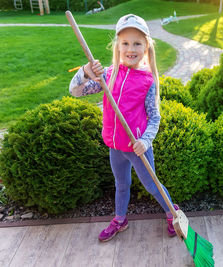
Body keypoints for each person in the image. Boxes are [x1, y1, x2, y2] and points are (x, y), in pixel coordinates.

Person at [69, 14, 179, 242]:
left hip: (136, 147)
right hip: (114, 146)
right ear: (118, 46)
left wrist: (146, 141)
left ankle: (172, 212)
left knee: (151, 184)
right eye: (126, 43)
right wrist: (85, 72)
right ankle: (120, 219)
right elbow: (75, 91)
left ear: (146, 46)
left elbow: (154, 118)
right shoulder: (107, 75)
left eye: (137, 43)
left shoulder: (148, 80)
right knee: (122, 184)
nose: (131, 48)